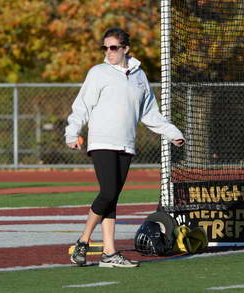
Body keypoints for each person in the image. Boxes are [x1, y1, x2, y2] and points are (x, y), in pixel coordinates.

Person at [65, 28, 185, 267]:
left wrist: (172, 132)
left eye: (113, 48)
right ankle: (83, 240)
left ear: (125, 49)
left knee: (112, 199)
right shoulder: (98, 73)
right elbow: (82, 106)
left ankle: (109, 253)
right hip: (102, 142)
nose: (108, 52)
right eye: (105, 48)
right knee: (108, 193)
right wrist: (73, 132)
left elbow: (149, 112)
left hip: (126, 144)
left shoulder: (139, 76)